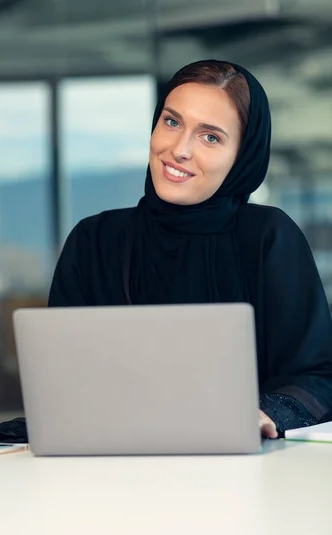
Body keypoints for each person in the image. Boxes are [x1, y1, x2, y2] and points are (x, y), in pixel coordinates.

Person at [48, 59, 332, 438]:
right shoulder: (94, 239)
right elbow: (57, 380)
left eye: (210, 137)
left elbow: (320, 377)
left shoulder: (268, 236)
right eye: (172, 121)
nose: (179, 149)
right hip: (109, 463)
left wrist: (268, 413)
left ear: (242, 157)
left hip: (246, 473)